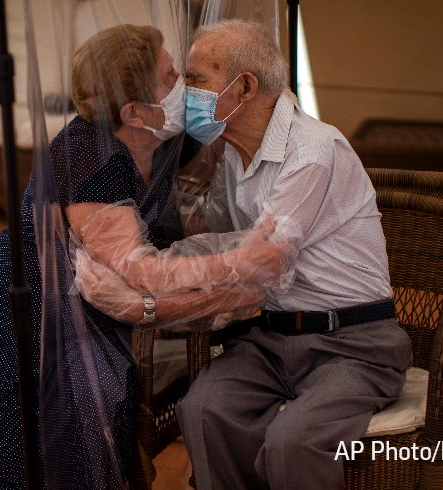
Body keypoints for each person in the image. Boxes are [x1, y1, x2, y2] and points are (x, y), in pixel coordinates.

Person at [0, 24, 284, 490]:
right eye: (170, 78)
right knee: (33, 466)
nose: (182, 86)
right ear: (134, 112)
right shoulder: (90, 161)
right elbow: (143, 272)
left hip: (91, 318)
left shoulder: (162, 139)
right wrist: (235, 266)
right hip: (26, 329)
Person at [163, 19, 413, 490]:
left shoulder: (313, 150)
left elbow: (261, 262)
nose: (184, 92)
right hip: (272, 340)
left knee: (292, 442)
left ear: (244, 87)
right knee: (200, 411)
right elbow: (216, 238)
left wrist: (155, 297)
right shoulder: (233, 155)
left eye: (195, 80)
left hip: (354, 345)